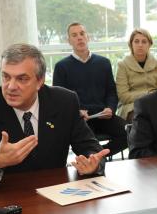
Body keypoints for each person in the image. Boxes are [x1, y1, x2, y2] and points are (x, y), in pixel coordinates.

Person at [0, 43, 108, 186]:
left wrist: (93, 163)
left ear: (40, 81)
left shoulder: (64, 102)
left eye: (22, 79)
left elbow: (90, 147)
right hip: (5, 196)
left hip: (56, 195)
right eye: (6, 77)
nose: (11, 87)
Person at [52, 22, 128, 157]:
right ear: (69, 41)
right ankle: (95, 156)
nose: (79, 38)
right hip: (81, 120)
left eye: (82, 34)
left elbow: (111, 91)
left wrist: (110, 108)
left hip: (103, 115)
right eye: (74, 35)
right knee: (85, 143)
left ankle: (100, 155)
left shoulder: (103, 63)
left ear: (88, 37)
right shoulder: (61, 67)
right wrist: (77, 111)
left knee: (130, 133)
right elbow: (59, 99)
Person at [115, 28, 157, 119]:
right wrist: (146, 94)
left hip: (154, 103)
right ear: (131, 44)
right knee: (140, 115)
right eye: (136, 41)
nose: (140, 45)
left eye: (144, 42)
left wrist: (150, 98)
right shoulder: (122, 65)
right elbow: (123, 96)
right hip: (130, 106)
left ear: (149, 44)